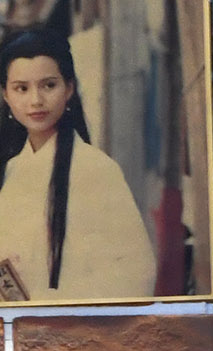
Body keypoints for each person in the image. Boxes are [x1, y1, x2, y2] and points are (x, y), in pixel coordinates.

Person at [0, 23, 151, 302]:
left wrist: (44, 301)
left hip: (74, 336)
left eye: (49, 85)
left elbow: (136, 275)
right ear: (5, 95)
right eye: (21, 88)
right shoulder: (11, 172)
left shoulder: (96, 169)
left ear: (69, 88)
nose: (36, 100)